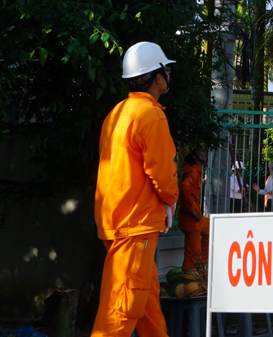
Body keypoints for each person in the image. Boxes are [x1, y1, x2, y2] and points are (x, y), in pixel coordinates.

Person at [90, 41, 179, 337]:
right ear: (157, 76)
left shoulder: (117, 113)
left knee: (147, 301)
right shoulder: (151, 115)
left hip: (116, 220)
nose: (168, 74)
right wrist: (170, 201)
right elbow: (163, 173)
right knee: (122, 308)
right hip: (135, 225)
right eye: (166, 69)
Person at [178, 149, 207, 272]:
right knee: (193, 252)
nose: (204, 154)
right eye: (201, 153)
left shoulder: (196, 171)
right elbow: (184, 187)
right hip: (191, 218)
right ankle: (190, 276)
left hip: (195, 217)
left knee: (211, 228)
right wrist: (192, 210)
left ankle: (204, 265)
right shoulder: (194, 170)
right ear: (194, 157)